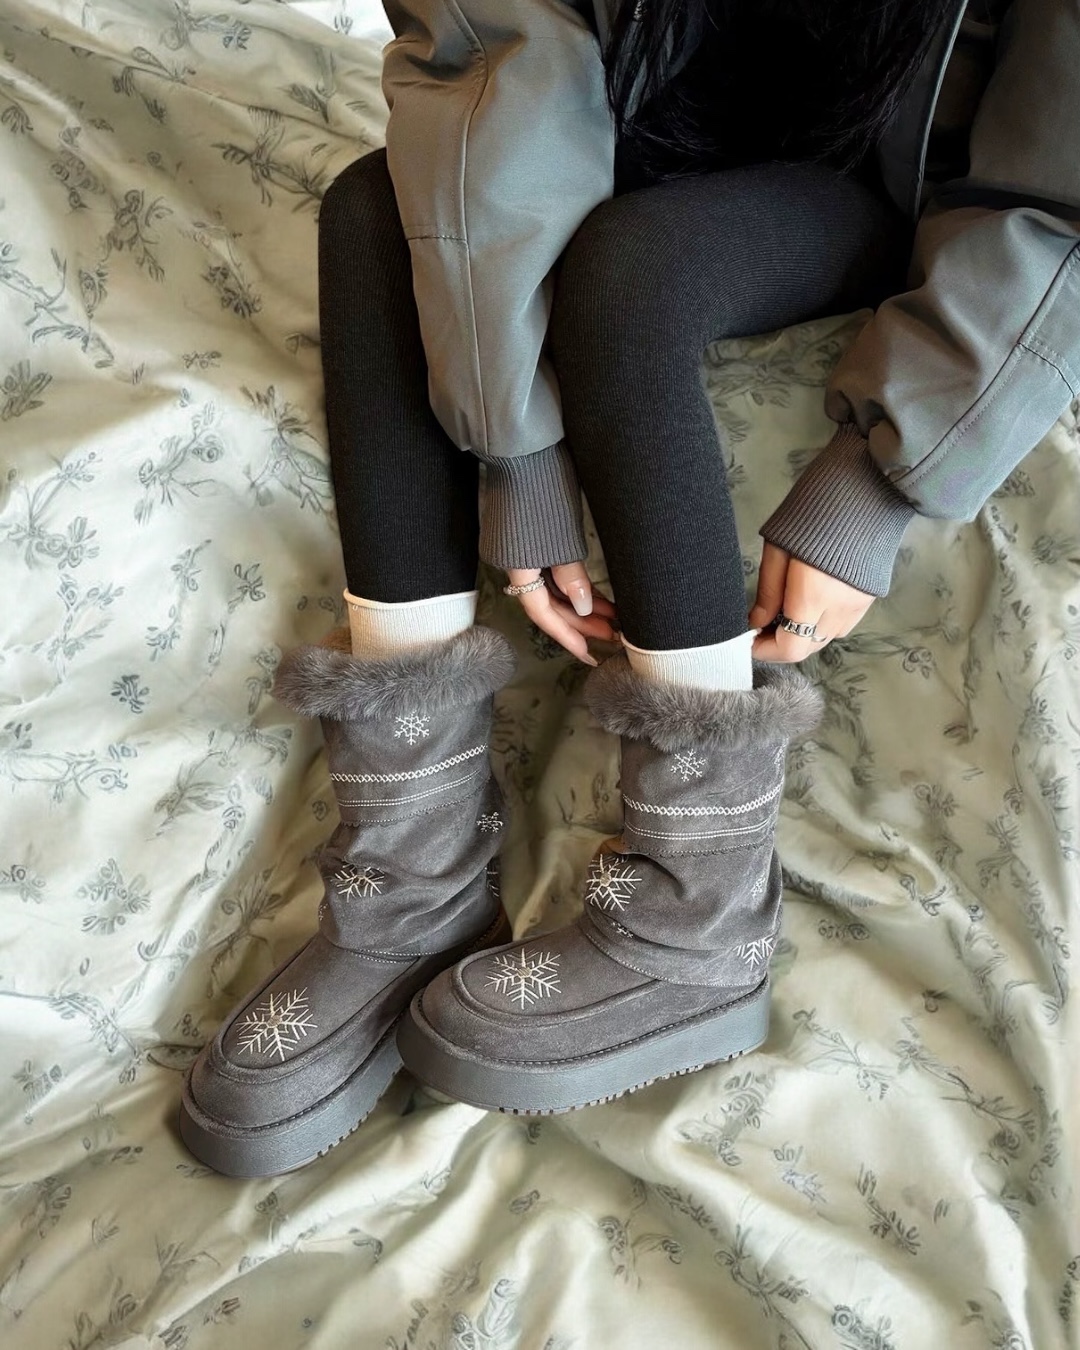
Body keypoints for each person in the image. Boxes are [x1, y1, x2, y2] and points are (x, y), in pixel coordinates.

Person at [179, 0, 1080, 1174]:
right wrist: (515, 447)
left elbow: (1056, 188)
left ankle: (698, 915)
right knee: (370, 205)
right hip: (628, 114)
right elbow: (488, 63)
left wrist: (875, 484)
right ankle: (410, 885)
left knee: (632, 274)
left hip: (894, 172)